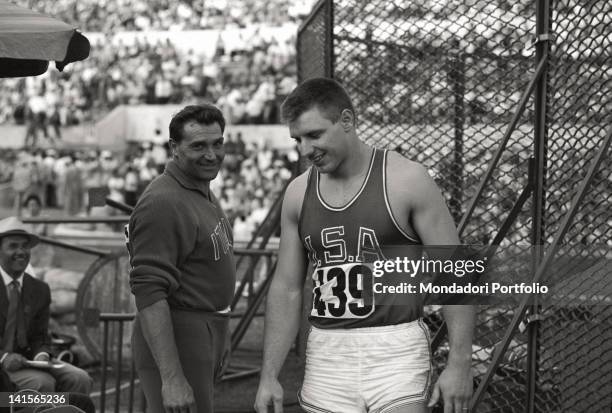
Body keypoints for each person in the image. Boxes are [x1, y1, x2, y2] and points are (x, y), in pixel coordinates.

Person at [254, 78, 475, 413]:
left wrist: (460, 362)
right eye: (297, 139)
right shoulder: (298, 193)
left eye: (314, 135)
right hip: (327, 352)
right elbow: (286, 288)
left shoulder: (406, 179)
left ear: (347, 121)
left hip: (396, 348)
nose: (304, 149)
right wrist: (269, 374)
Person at [127, 104, 236, 413]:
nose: (211, 154)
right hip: (178, 332)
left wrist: (220, 330)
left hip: (204, 328)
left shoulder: (197, 188)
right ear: (174, 148)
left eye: (217, 143)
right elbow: (149, 292)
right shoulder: (163, 201)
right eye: (198, 146)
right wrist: (172, 377)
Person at [0, 216, 93, 395]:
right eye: (13, 246)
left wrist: (41, 354)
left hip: (26, 362)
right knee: (42, 383)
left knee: (80, 379)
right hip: (4, 364)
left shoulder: (39, 289)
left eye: (25, 246)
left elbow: (40, 337)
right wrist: (4, 357)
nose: (21, 252)